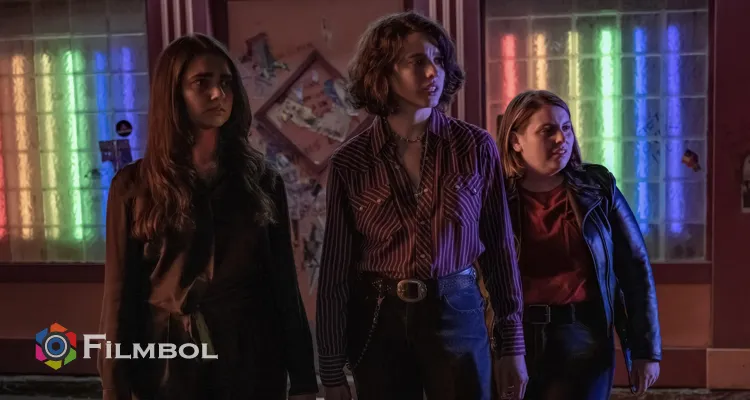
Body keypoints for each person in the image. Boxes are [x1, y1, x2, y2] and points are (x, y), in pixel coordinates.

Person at [316, 11, 528, 400]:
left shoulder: (475, 147)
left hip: (458, 308)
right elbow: (334, 273)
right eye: (416, 62)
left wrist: (512, 344)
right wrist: (331, 370)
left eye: (439, 61)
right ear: (384, 71)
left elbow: (500, 250)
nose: (433, 72)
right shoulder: (351, 162)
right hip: (378, 316)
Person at [97, 33, 318, 400]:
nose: (218, 94)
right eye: (202, 82)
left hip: (250, 358)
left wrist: (304, 379)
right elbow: (120, 295)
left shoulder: (262, 180)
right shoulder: (133, 186)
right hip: (168, 363)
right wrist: (113, 384)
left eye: (226, 83)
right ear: (174, 93)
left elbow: (284, 286)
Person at [495, 90, 662, 399]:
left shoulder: (597, 187)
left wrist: (646, 350)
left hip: (584, 336)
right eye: (547, 130)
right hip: (514, 338)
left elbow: (635, 267)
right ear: (516, 141)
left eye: (566, 128)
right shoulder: (494, 196)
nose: (562, 138)